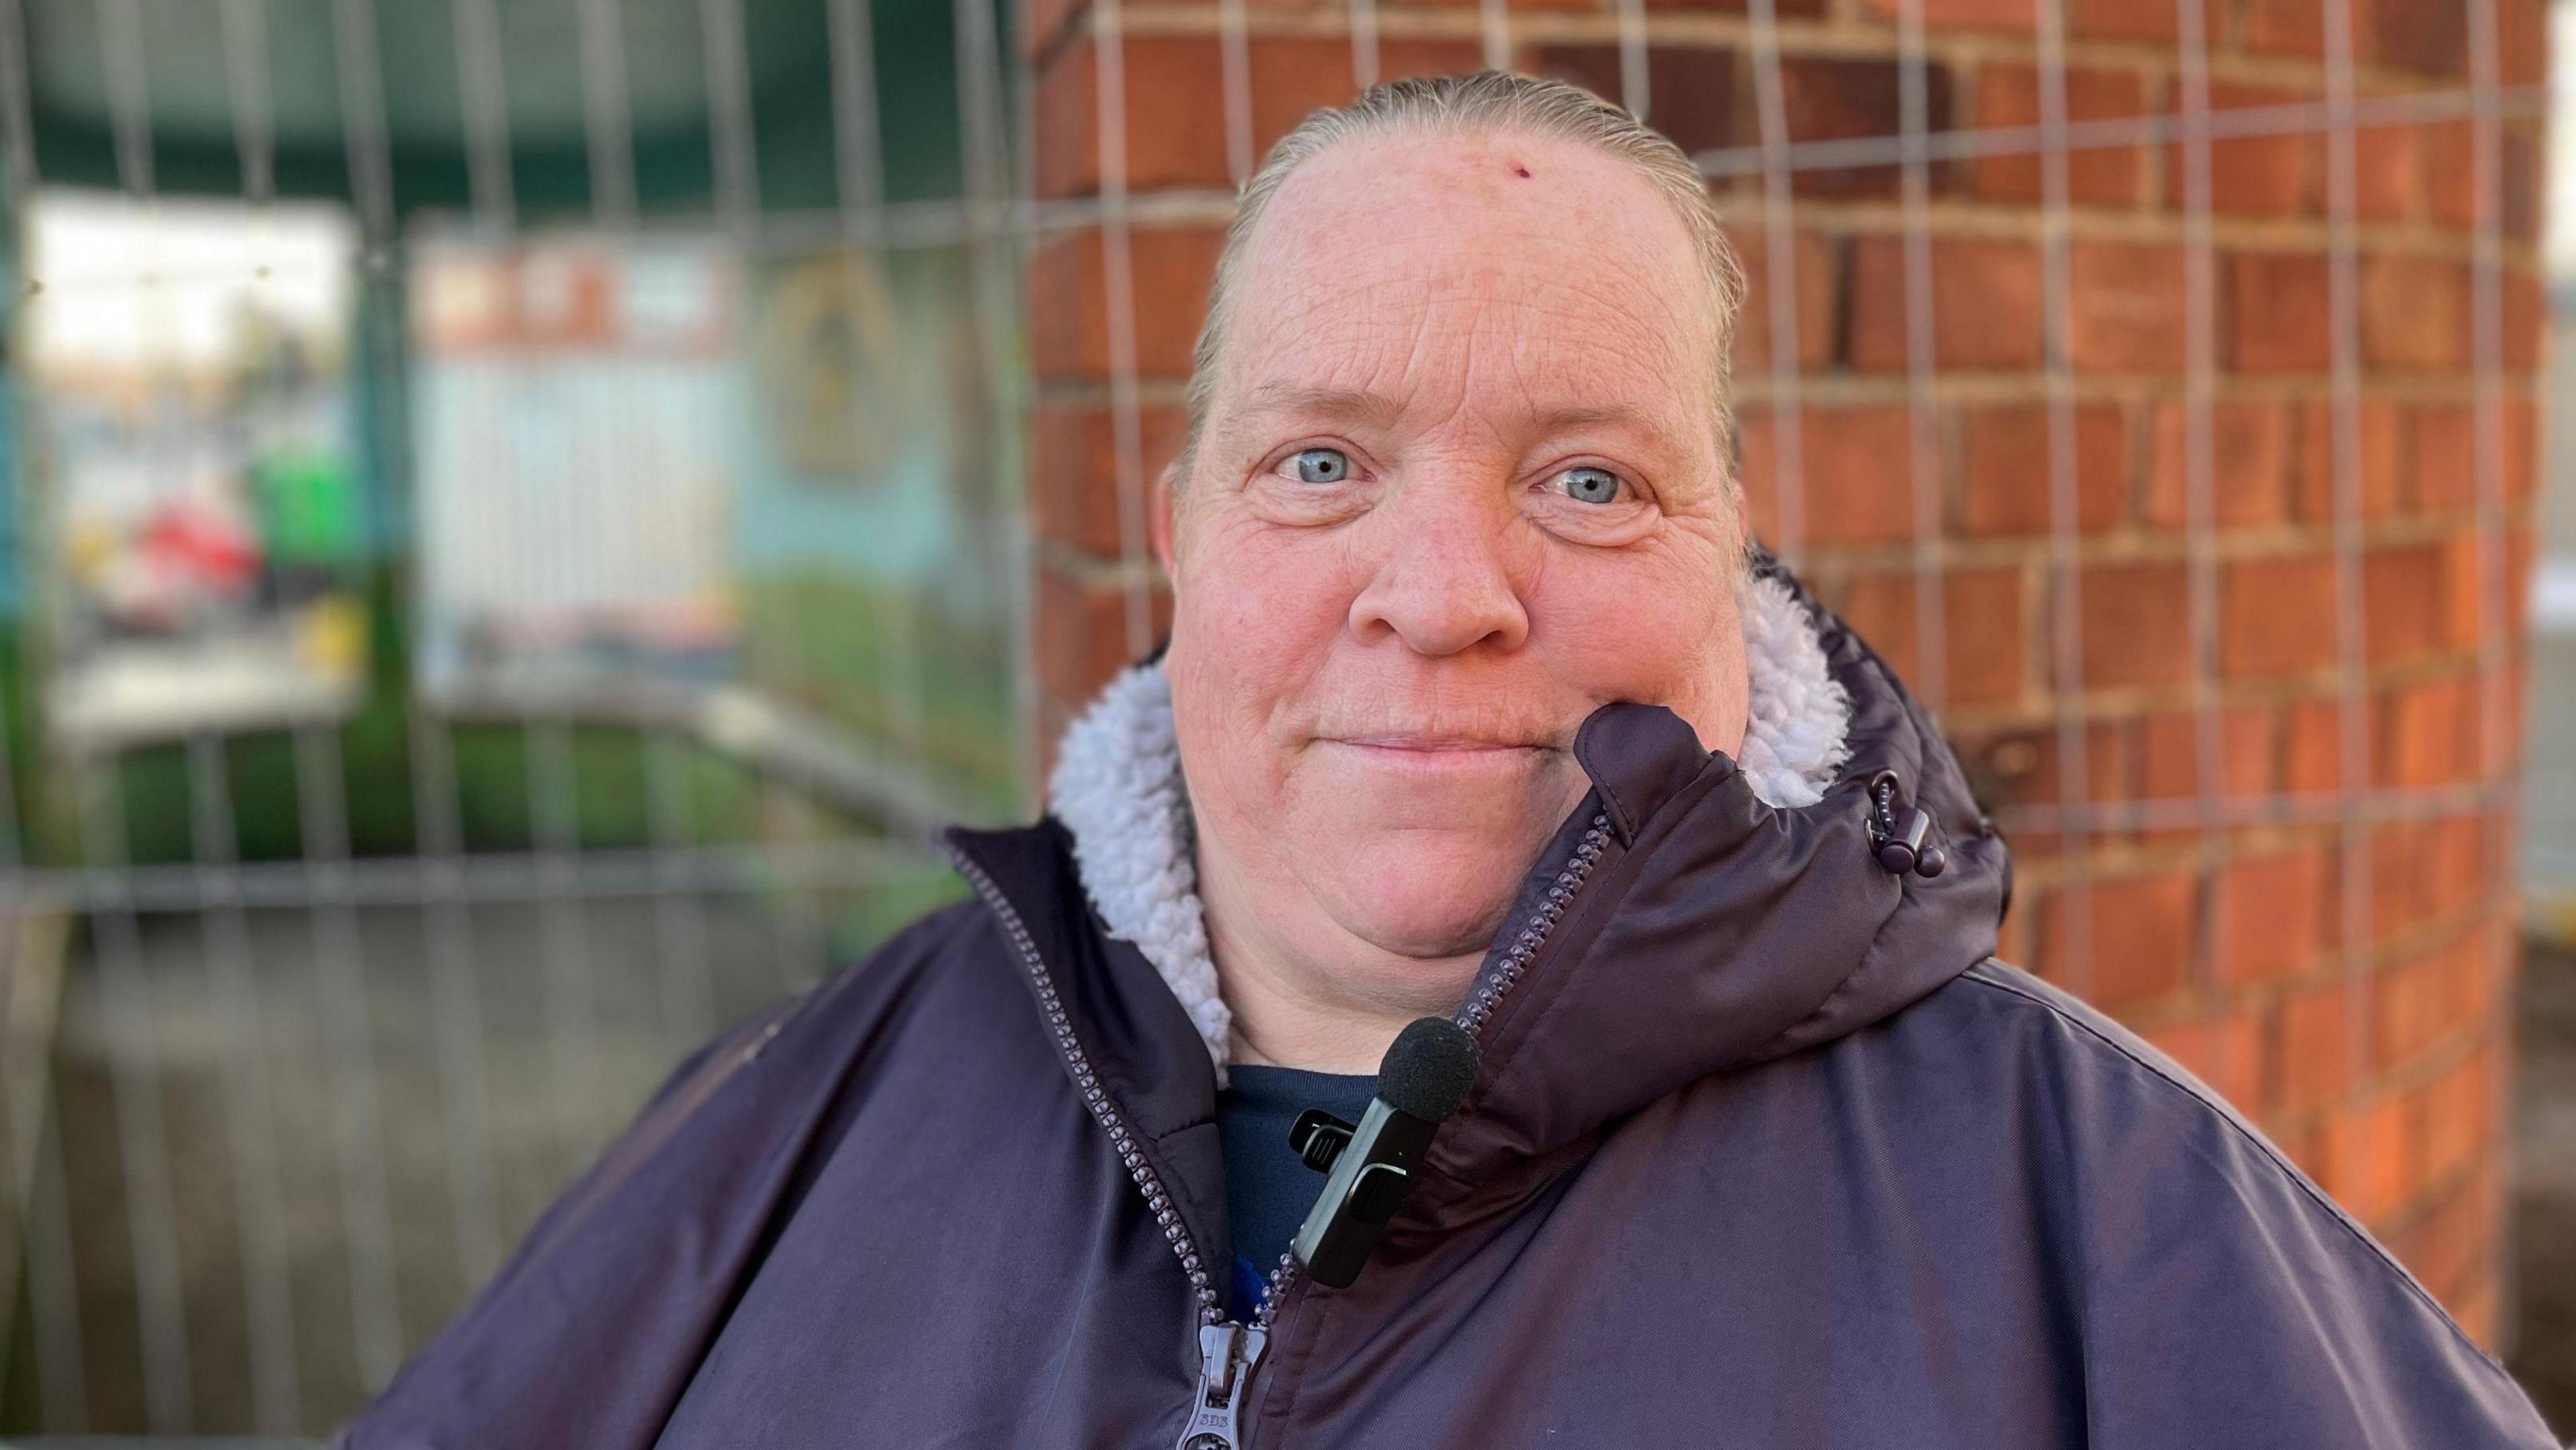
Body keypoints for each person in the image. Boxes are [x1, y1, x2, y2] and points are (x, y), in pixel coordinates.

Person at [338, 72, 2559, 1449]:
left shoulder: (2120, 1221)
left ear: (1732, 565)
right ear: (1182, 537)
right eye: (1320, 461)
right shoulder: (798, 1111)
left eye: (1590, 482)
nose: (1445, 589)